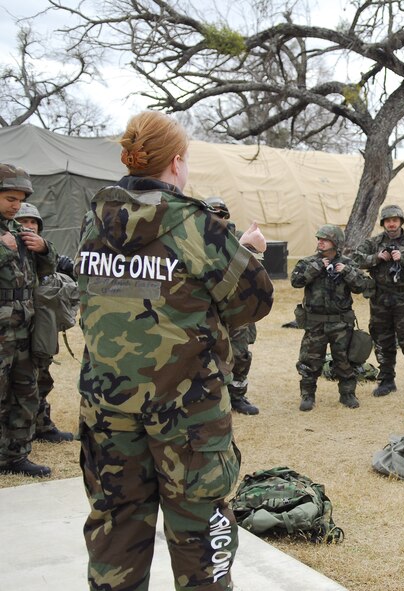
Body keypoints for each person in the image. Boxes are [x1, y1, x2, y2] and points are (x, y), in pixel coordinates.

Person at [76, 110, 274, 590]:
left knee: (115, 524)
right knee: (201, 527)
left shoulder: (94, 222)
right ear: (177, 163)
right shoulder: (196, 227)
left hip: (108, 406)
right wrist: (245, 251)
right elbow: (255, 301)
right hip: (187, 413)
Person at [0, 163, 57, 477]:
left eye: (19, 199)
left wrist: (44, 248)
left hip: (23, 326)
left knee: (26, 390)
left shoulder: (18, 231)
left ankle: (15, 456)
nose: (15, 205)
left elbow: (47, 270)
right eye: (9, 197)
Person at [291, 224, 372, 411]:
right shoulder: (308, 262)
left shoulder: (347, 264)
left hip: (341, 323)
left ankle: (347, 394)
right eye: (319, 239)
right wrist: (316, 268)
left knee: (344, 361)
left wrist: (346, 272)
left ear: (335, 243)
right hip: (315, 321)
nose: (320, 242)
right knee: (310, 361)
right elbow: (296, 281)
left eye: (325, 239)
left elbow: (362, 286)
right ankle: (307, 395)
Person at [353, 204, 404, 397]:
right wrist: (376, 258)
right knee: (382, 340)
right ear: (383, 223)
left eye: (395, 220)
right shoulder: (375, 242)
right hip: (380, 299)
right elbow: (355, 259)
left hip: (403, 299)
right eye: (388, 221)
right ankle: (387, 380)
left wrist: (403, 259)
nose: (392, 224)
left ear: (401, 222)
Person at [15, 202, 77, 442]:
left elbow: (72, 268)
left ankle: (41, 425)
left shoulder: (46, 253)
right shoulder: (8, 251)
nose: (29, 227)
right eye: (23, 222)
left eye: (33, 222)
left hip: (40, 327)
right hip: (13, 327)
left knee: (42, 376)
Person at [205, 196, 261, 416]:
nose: (217, 218)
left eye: (221, 214)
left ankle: (237, 396)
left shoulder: (237, 238)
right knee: (206, 354)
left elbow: (254, 268)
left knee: (240, 354)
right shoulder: (194, 239)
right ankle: (211, 399)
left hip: (235, 307)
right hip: (207, 308)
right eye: (213, 213)